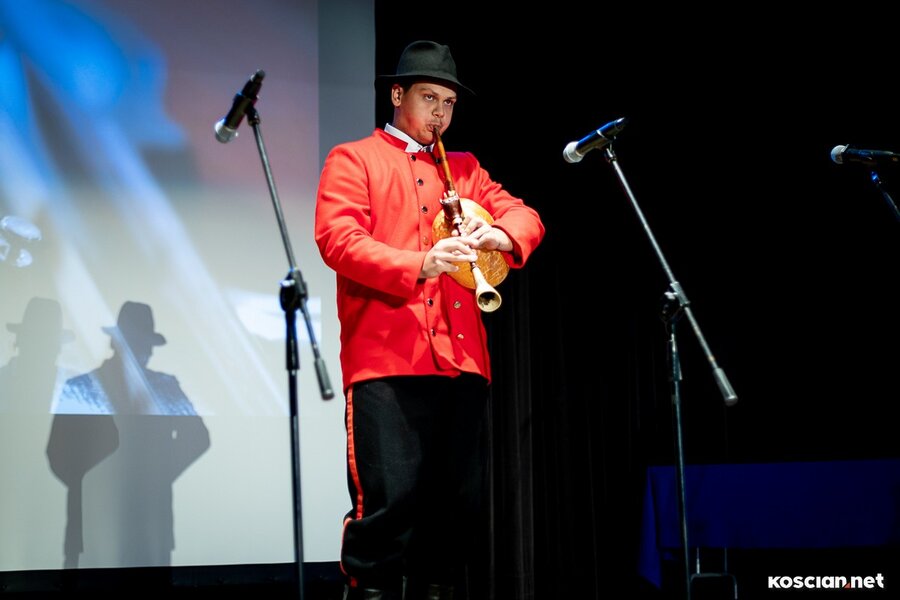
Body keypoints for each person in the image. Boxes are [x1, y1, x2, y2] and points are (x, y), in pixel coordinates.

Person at [314, 40, 545, 600]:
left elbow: (525, 215)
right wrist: (421, 263)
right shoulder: (355, 159)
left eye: (448, 103)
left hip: (462, 363)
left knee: (455, 510)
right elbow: (338, 240)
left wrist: (499, 234)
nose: (440, 113)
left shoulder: (465, 169)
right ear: (398, 95)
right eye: (428, 98)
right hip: (387, 361)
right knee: (387, 506)